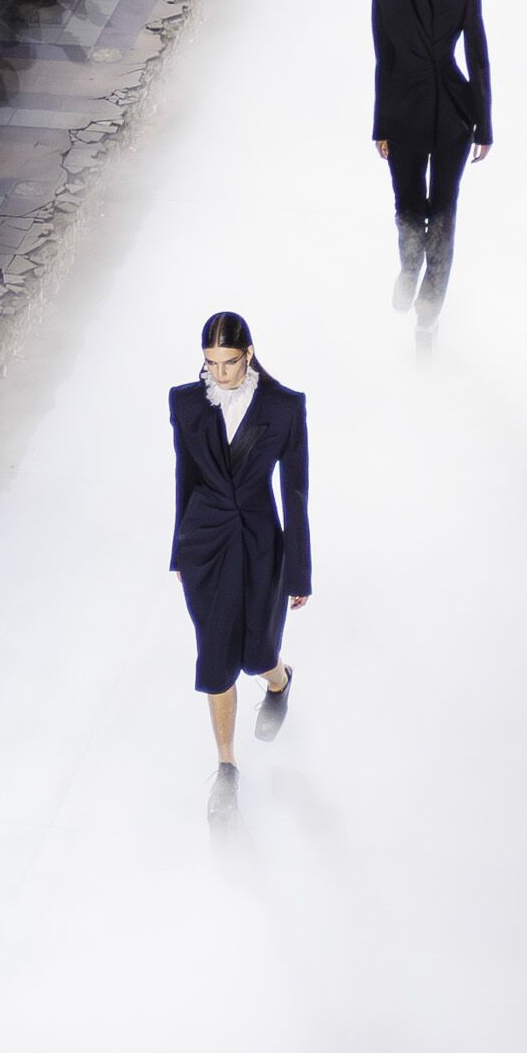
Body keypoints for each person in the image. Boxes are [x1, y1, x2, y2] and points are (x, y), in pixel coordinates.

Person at [169, 314, 309, 770]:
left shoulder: (284, 407)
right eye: (210, 363)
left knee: (256, 654)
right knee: (214, 654)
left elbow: (295, 494)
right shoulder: (186, 402)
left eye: (228, 362)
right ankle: (226, 769)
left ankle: (279, 680)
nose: (219, 373)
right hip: (205, 548)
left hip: (258, 546)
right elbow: (184, 478)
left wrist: (298, 572)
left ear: (248, 354)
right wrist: (179, 551)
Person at [369, 0, 492, 317]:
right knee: (407, 208)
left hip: (452, 112)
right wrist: (380, 125)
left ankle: (430, 304)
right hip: (403, 113)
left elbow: (477, 57)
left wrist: (484, 126)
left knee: (442, 210)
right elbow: (383, 60)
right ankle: (409, 268)